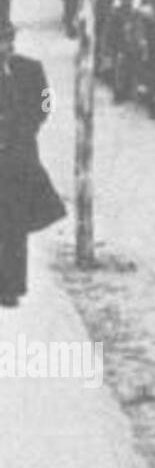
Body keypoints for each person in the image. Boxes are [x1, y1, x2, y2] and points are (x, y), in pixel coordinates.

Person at [0, 19, 67, 308]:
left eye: (6, 40)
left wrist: (24, 130)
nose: (3, 46)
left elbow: (46, 104)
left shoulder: (30, 69)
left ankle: (11, 287)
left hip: (19, 159)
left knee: (14, 224)